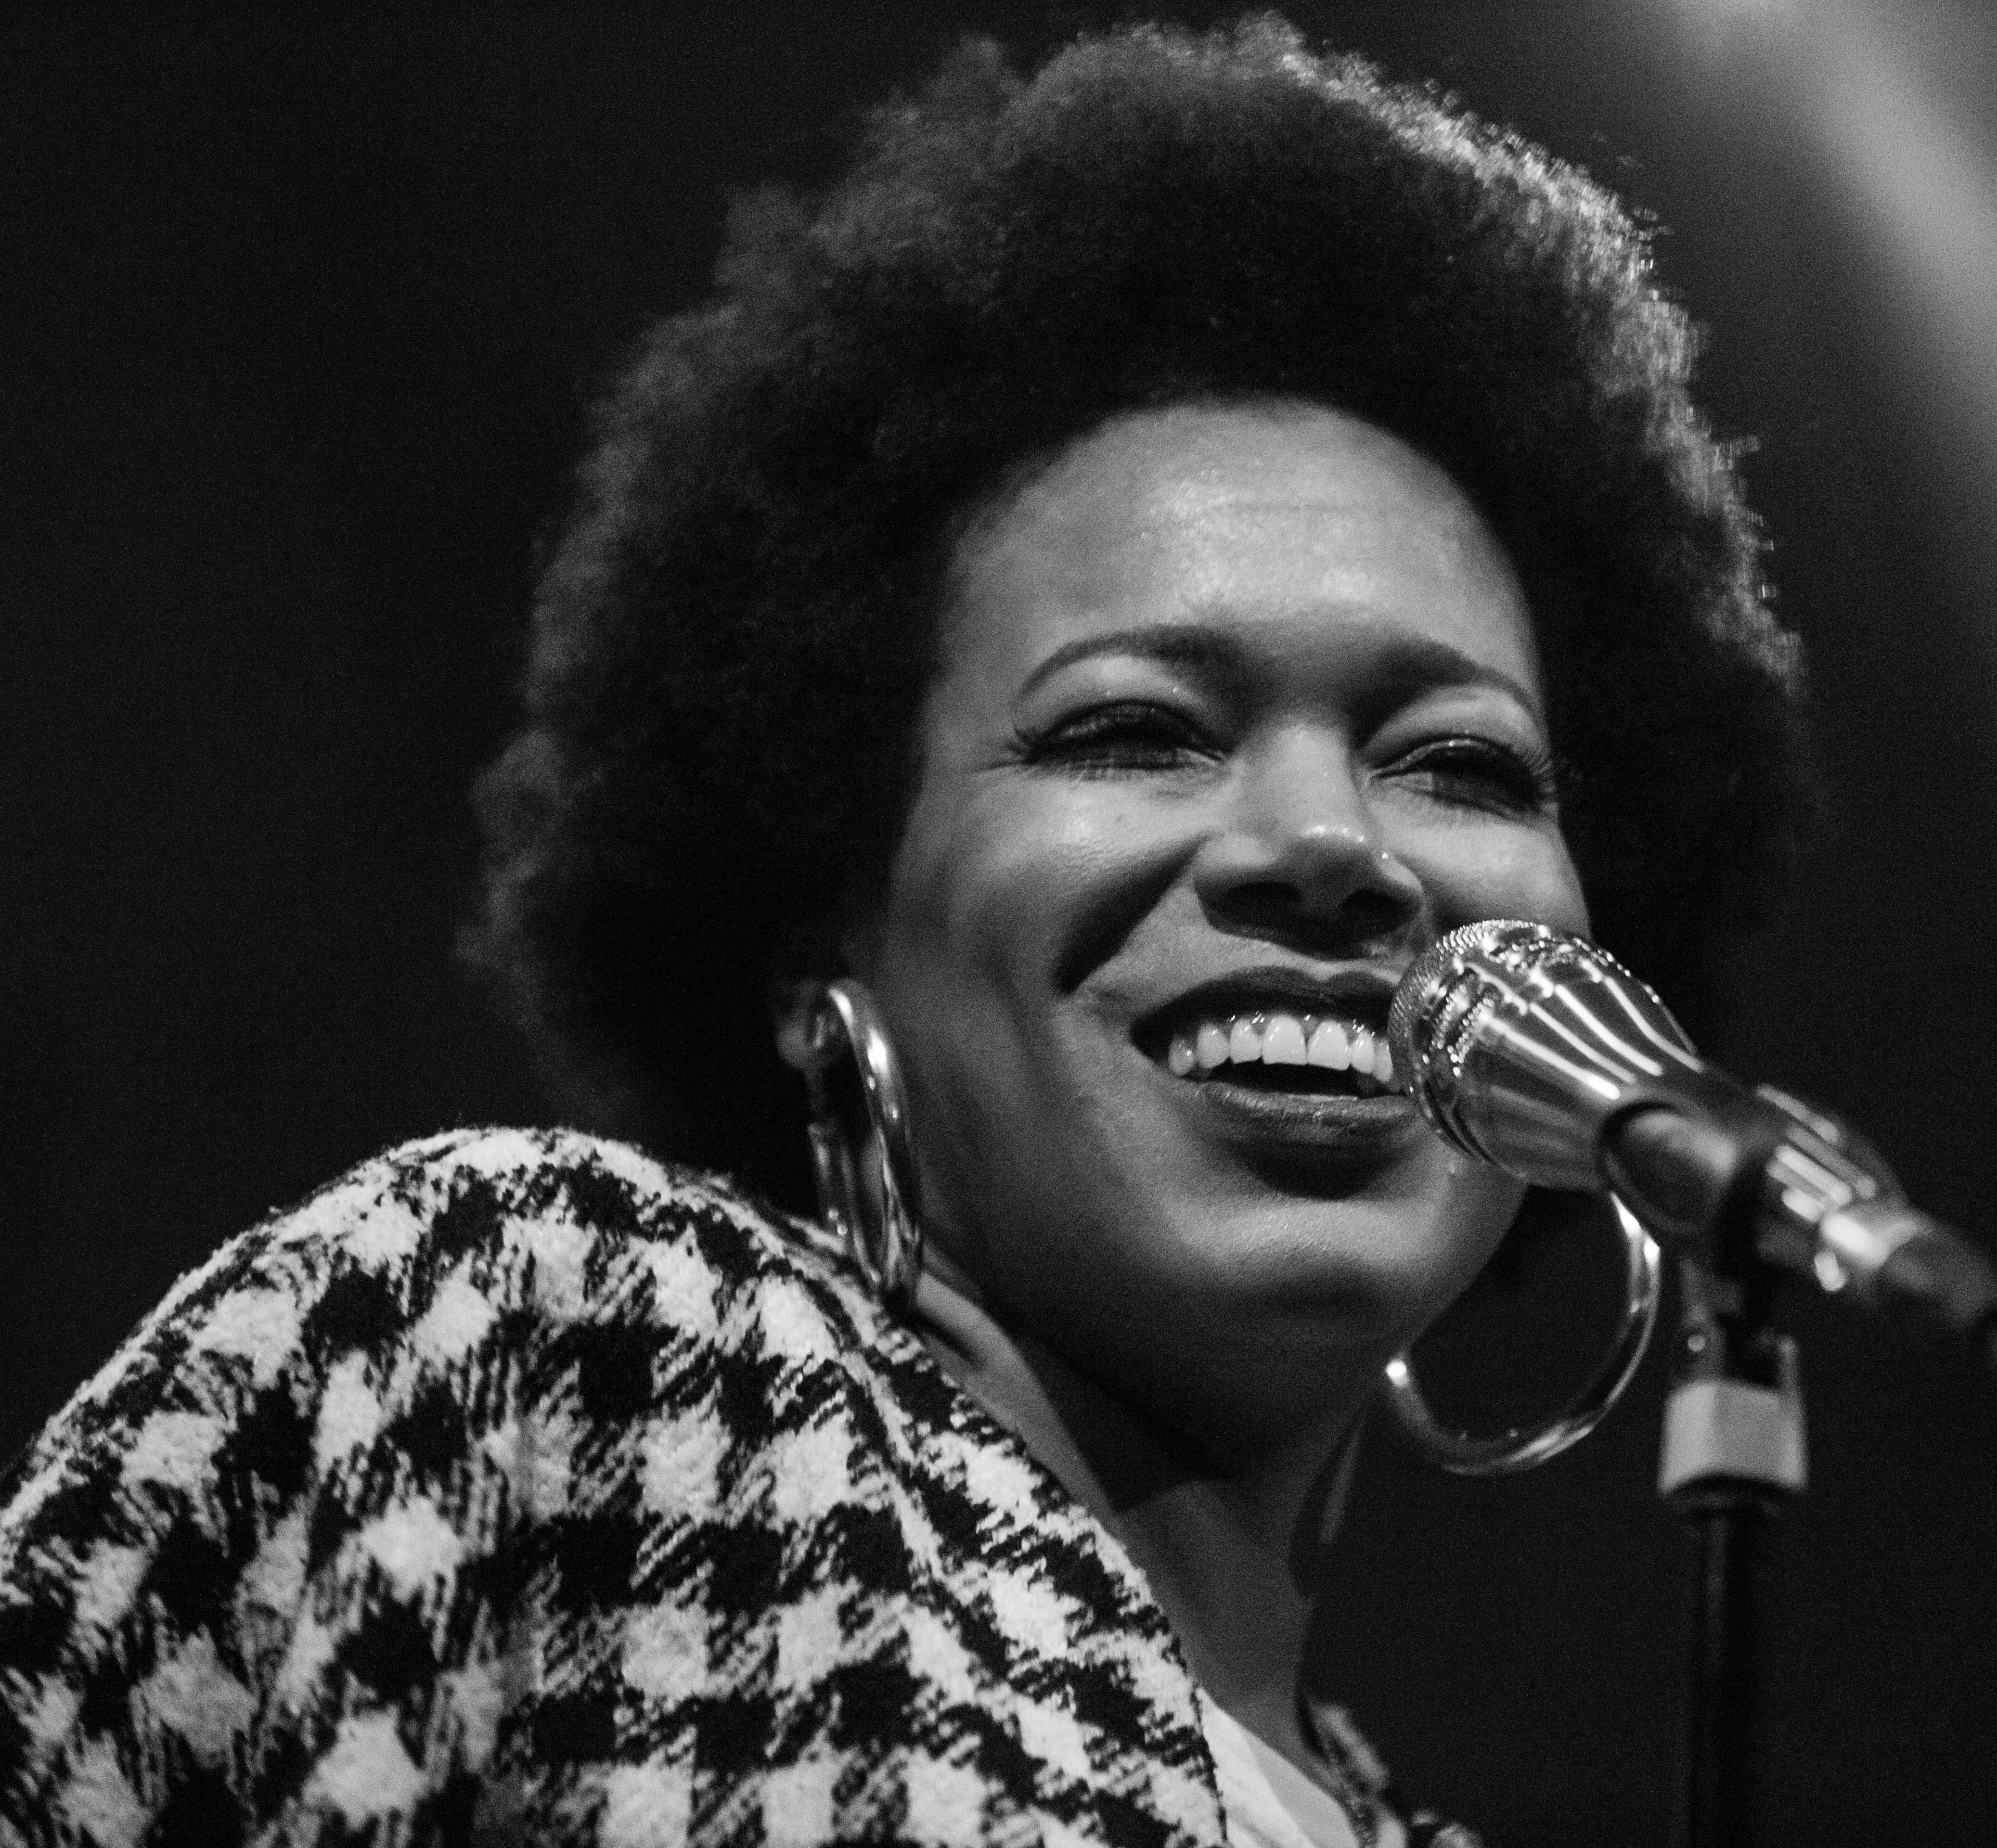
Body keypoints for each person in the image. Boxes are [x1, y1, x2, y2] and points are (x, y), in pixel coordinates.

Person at [0, 20, 1802, 1846]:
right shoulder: (542, 1334)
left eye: (1463, 766)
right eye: (1133, 731)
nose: (1332, 844)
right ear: (819, 931)